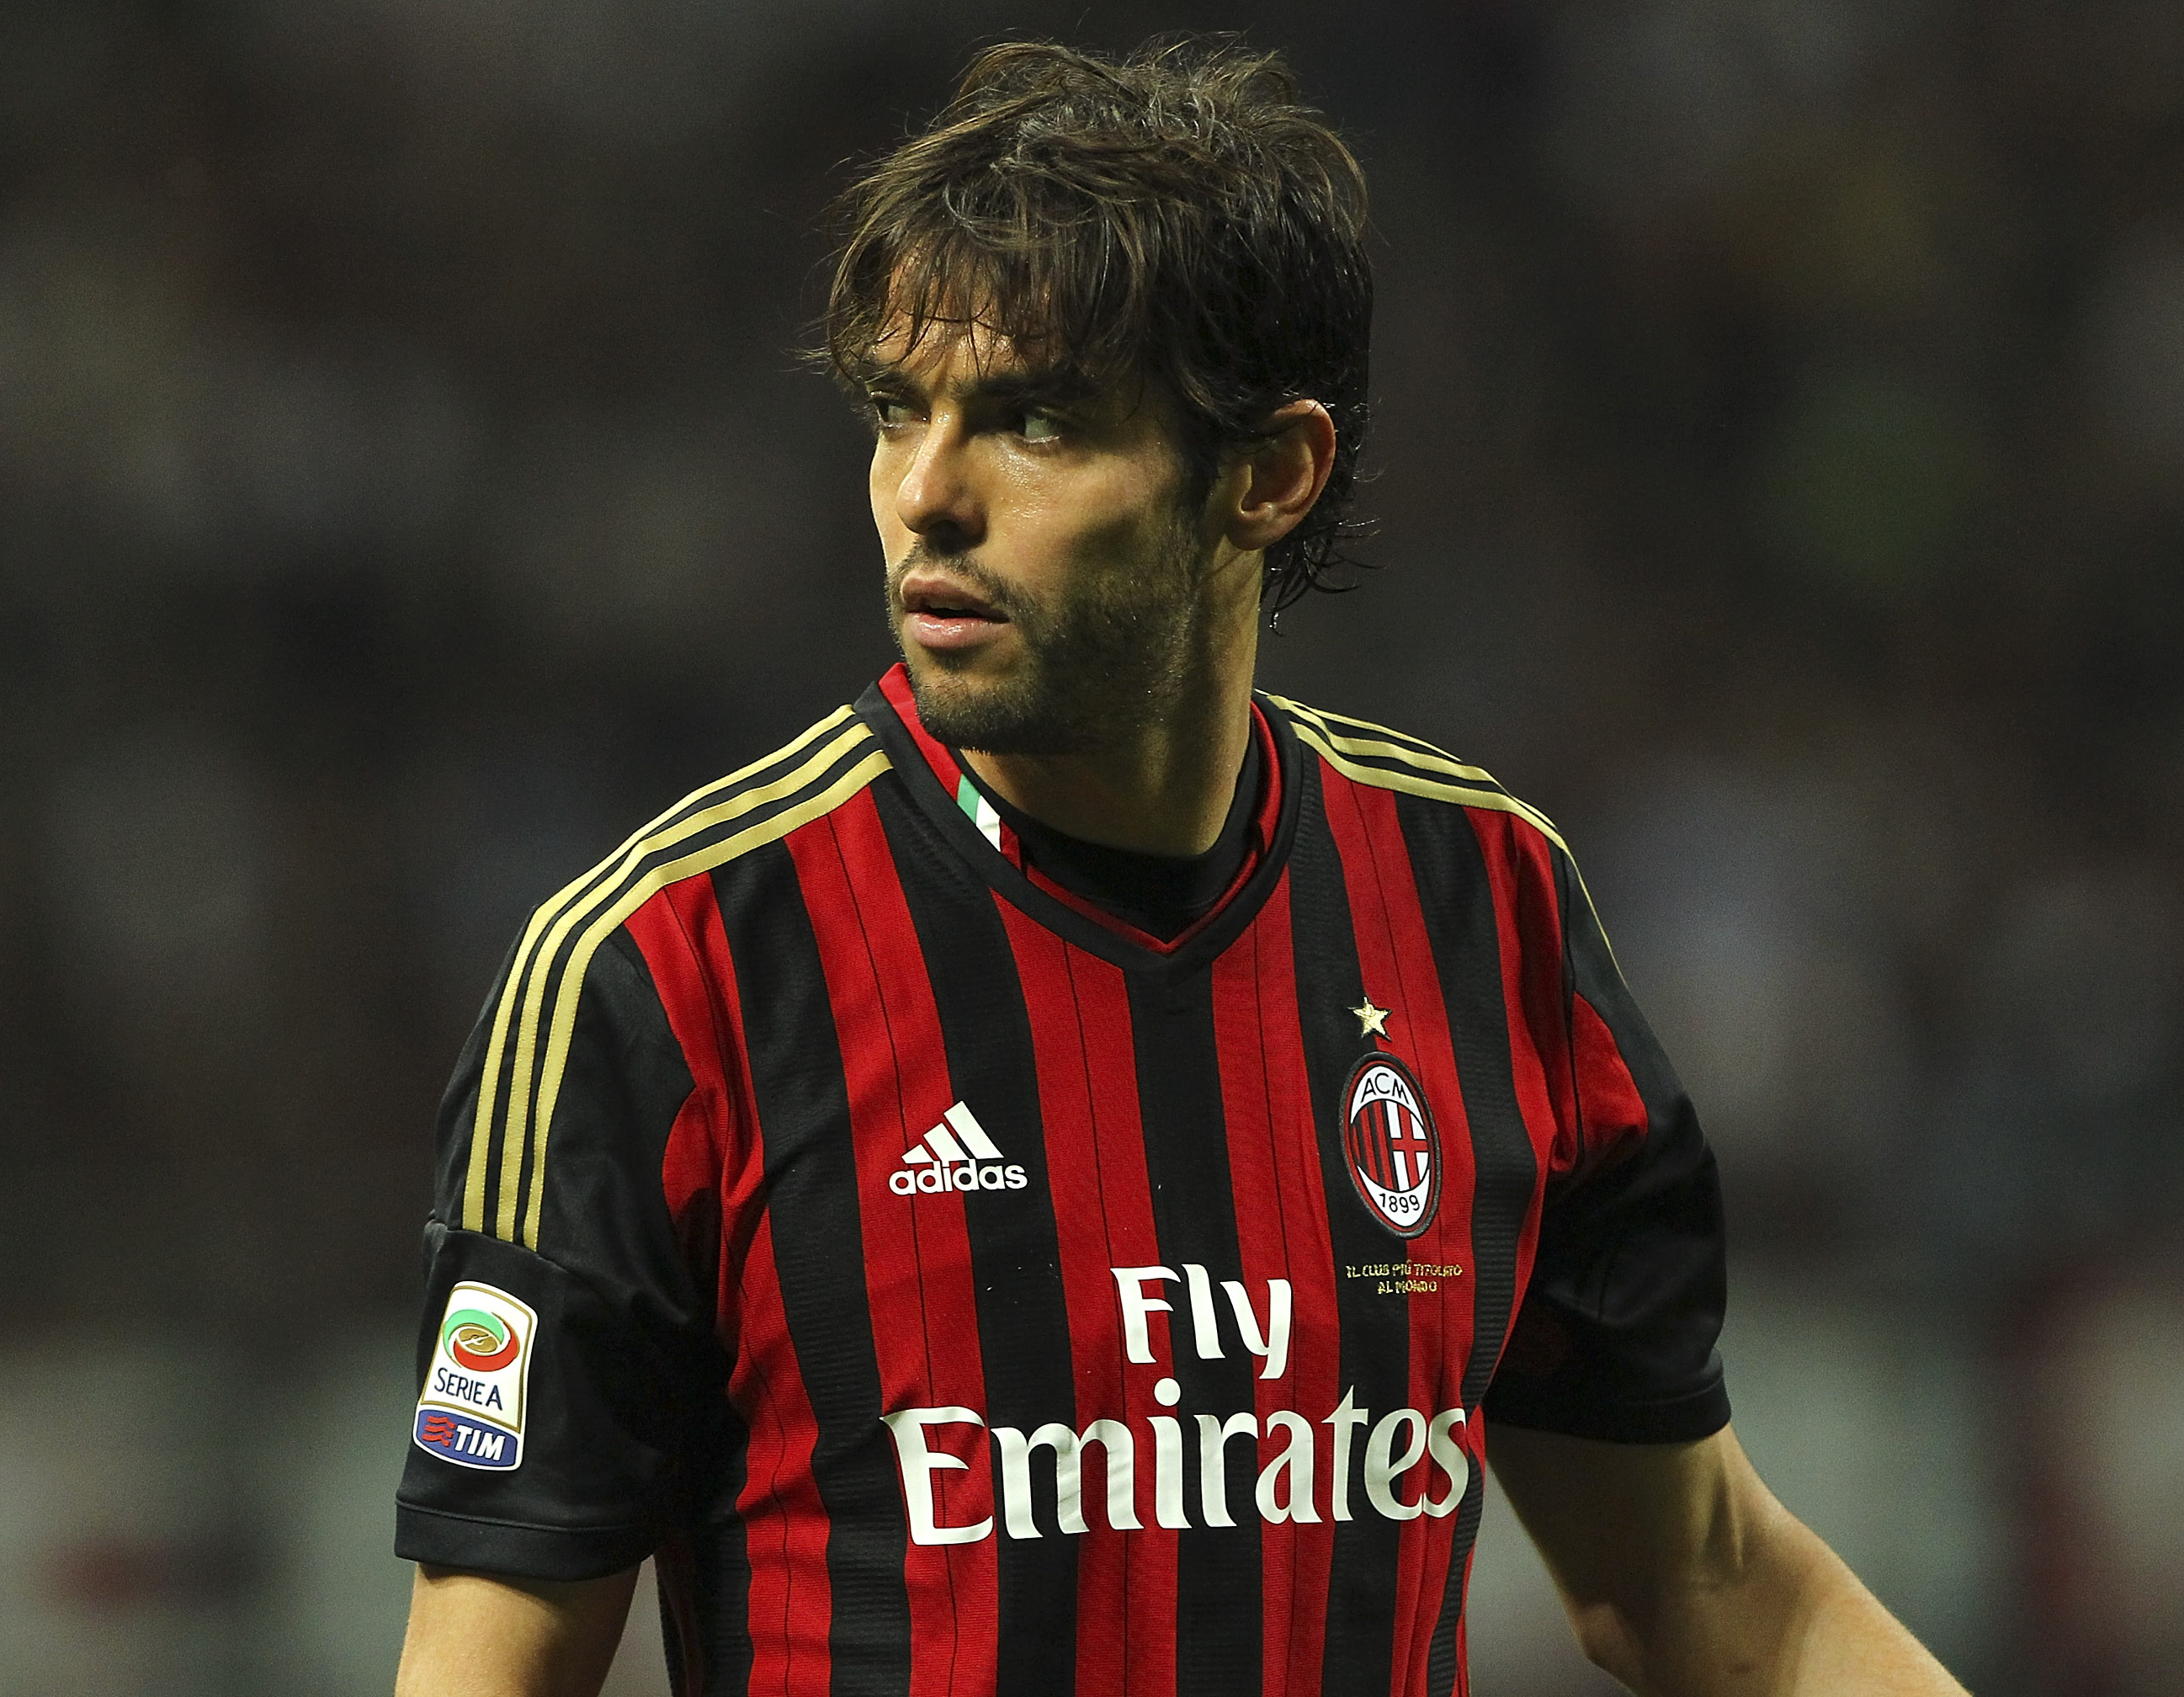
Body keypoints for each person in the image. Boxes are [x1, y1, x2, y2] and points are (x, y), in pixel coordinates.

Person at [391, 36, 1967, 1697]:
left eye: (1035, 425)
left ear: (1271, 474)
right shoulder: (673, 970)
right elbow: (487, 1668)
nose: (927, 495)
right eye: (897, 414)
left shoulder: (1478, 907)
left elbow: (1701, 1578)